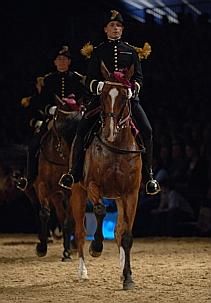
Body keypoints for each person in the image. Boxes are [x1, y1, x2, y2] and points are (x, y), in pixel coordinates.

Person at [59, 10, 160, 195]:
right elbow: (89, 79)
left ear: (122, 30)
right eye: (112, 25)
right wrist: (99, 87)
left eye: (119, 26)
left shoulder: (131, 51)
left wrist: (133, 89)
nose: (116, 28)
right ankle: (73, 173)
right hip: (102, 100)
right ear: (106, 29)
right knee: (82, 129)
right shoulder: (99, 52)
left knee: (147, 130)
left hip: (127, 100)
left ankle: (149, 176)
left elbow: (139, 77)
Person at [14, 45, 86, 191]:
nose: (62, 62)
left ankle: (85, 174)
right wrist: (49, 109)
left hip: (74, 118)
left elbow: (84, 98)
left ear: (69, 62)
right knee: (34, 145)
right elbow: (41, 101)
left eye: (64, 59)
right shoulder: (48, 80)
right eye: (59, 59)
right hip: (54, 117)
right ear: (54, 62)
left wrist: (81, 109)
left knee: (87, 141)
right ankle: (29, 177)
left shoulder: (78, 79)